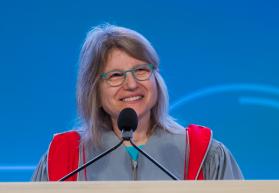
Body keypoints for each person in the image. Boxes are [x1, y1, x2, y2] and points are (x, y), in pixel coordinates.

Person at [32, 24, 242, 181]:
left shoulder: (204, 154)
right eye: (115, 75)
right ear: (93, 89)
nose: (131, 84)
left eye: (141, 70)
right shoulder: (63, 160)